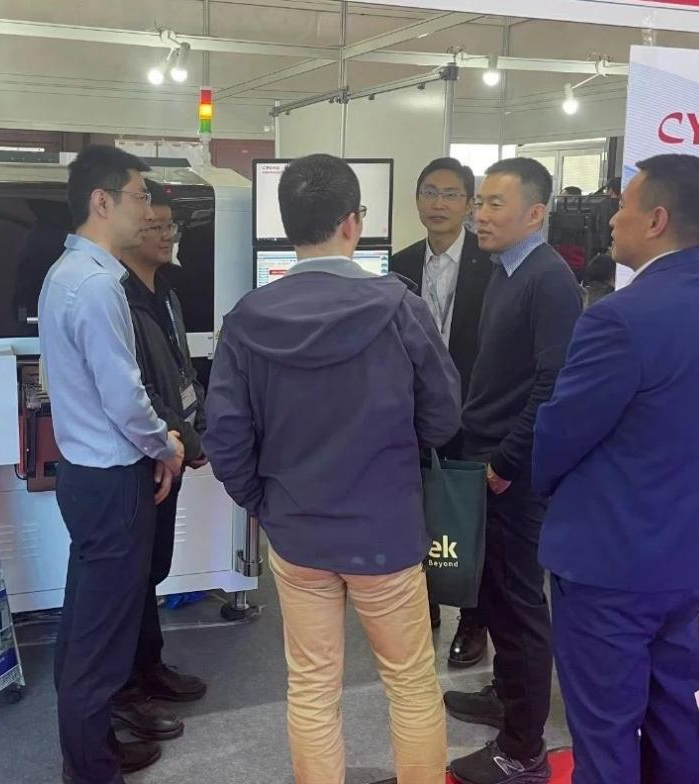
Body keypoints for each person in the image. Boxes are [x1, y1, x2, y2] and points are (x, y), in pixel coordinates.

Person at [204, 153, 462, 784]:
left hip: (297, 533)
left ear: (288, 224)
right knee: (410, 683)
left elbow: (226, 439)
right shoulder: (399, 308)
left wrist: (265, 502)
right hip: (385, 530)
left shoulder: (245, 320)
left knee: (312, 686)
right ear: (353, 222)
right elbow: (444, 415)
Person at [532, 154, 699, 784]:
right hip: (679, 550)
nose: (611, 219)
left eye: (623, 206)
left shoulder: (618, 318)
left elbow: (561, 431)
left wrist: (541, 489)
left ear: (655, 219)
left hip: (605, 561)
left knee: (604, 732)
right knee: (672, 712)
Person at [40, 144, 186, 784]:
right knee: (99, 642)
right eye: (140, 196)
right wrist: (165, 445)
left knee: (83, 627)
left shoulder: (66, 272)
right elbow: (124, 396)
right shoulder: (99, 285)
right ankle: (91, 770)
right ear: (102, 201)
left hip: (85, 478)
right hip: (112, 481)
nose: (149, 210)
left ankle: (90, 750)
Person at [444, 157, 583, 784]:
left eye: (495, 204)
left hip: (512, 468)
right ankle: (505, 695)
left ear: (535, 213)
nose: (480, 214)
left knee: (521, 601)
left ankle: (524, 749)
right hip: (488, 453)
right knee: (496, 592)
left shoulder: (548, 280)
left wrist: (506, 459)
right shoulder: (506, 271)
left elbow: (555, 384)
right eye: (480, 202)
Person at [109, 179, 209, 744]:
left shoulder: (166, 293)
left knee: (152, 568)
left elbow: (181, 372)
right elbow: (138, 390)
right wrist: (184, 443)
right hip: (143, 456)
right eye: (155, 225)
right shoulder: (115, 298)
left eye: (171, 225)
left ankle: (149, 667)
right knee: (128, 579)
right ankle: (124, 691)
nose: (167, 235)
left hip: (169, 452)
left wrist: (199, 429)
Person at [390, 157, 494, 636]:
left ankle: (473, 621)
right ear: (416, 200)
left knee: (470, 517)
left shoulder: (491, 263)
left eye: (451, 194)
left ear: (469, 204)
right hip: (414, 412)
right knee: (417, 512)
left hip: (474, 410)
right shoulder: (399, 265)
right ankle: (425, 604)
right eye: (429, 192)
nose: (439, 203)